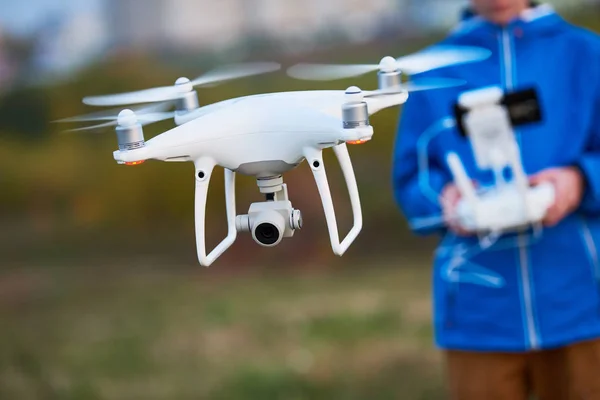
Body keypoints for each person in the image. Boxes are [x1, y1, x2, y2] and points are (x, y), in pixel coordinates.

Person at [392, 1, 600, 399]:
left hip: (581, 301)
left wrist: (579, 180)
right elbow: (411, 178)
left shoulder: (586, 54)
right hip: (479, 311)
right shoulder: (431, 70)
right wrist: (445, 198)